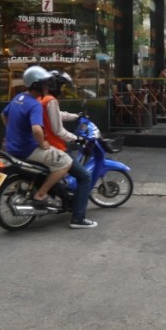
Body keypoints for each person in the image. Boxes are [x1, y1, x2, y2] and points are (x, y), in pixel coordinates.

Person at [0, 65, 72, 210]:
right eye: (45, 83)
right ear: (36, 85)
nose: (47, 86)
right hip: (27, 149)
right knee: (66, 162)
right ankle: (41, 194)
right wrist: (43, 143)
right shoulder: (34, 104)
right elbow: (37, 129)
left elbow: (3, 114)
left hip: (11, 146)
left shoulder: (18, 97)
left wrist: (11, 132)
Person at [39, 70, 97, 229]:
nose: (63, 89)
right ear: (55, 86)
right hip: (54, 146)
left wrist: (76, 116)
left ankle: (64, 198)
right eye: (62, 86)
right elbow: (58, 130)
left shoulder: (40, 99)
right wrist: (77, 138)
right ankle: (78, 218)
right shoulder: (51, 101)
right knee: (85, 177)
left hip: (40, 145)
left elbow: (57, 115)